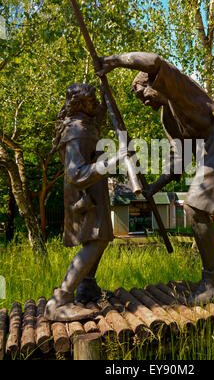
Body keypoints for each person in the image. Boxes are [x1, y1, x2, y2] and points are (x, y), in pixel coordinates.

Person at [96, 52, 214, 305]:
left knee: (194, 207)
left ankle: (212, 280)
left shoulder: (176, 84)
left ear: (155, 83)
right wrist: (153, 188)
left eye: (143, 93)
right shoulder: (167, 117)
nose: (143, 101)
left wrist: (115, 61)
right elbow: (179, 162)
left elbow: (153, 61)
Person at [45, 83, 126, 321]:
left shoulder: (85, 124)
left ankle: (87, 286)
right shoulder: (77, 131)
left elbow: (96, 122)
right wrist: (114, 161)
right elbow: (76, 173)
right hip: (85, 193)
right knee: (95, 241)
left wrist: (104, 97)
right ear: (80, 105)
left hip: (93, 190)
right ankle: (60, 300)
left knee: (98, 238)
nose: (97, 105)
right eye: (92, 102)